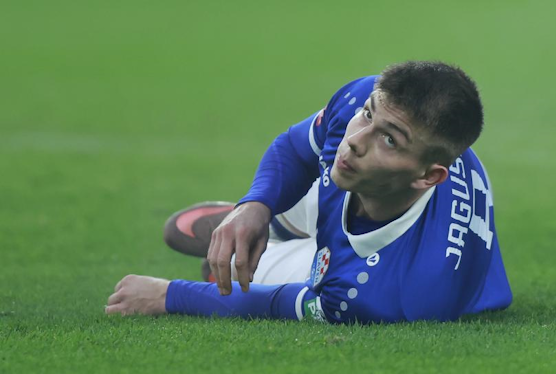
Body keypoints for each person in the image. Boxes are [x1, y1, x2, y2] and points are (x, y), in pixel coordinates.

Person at [106, 61, 512, 324]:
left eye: (389, 140)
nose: (355, 140)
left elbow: (277, 302)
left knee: (246, 276)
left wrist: (168, 295)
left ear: (429, 176)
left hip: (381, 260)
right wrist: (255, 204)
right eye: (369, 115)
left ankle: (273, 245)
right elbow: (295, 147)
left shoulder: (383, 296)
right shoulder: (365, 103)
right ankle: (266, 222)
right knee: (327, 171)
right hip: (371, 191)